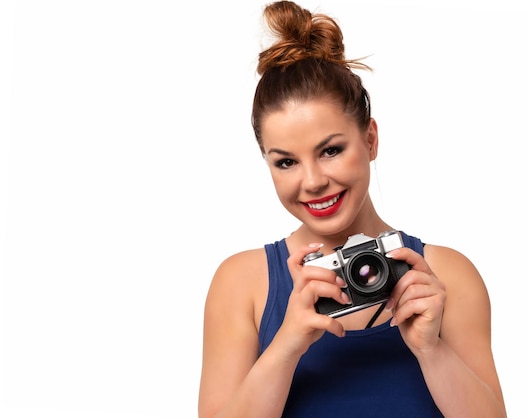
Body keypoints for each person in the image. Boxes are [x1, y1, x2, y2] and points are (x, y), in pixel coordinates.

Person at [198, 1, 507, 417]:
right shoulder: (242, 284)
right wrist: (287, 344)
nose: (311, 181)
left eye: (330, 150)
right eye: (286, 161)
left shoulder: (447, 276)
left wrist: (430, 350)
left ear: (370, 140)